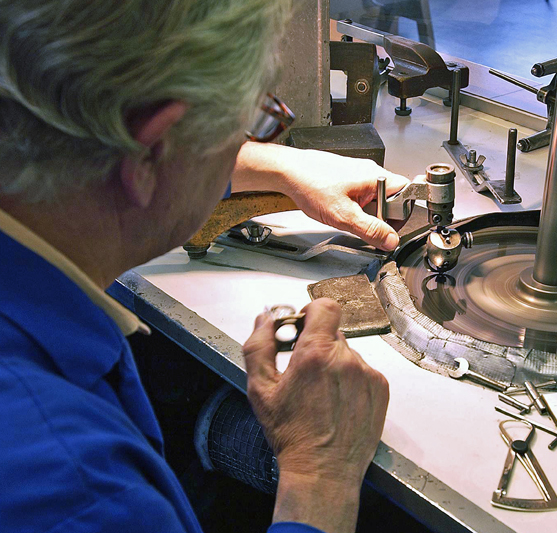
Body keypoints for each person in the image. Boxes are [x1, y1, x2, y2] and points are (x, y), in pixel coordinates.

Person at [0, 1, 408, 532]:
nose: (251, 142)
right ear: (152, 152)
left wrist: (282, 166)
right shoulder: (86, 493)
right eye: (253, 122)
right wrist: (319, 474)